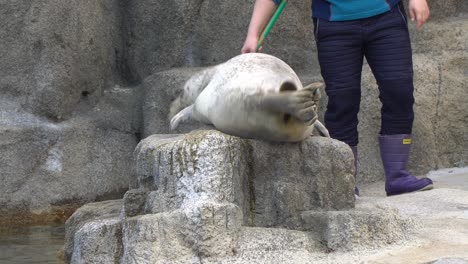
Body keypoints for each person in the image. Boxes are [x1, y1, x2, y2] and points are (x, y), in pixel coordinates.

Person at [241, 0, 434, 196]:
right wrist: (253, 34)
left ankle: (398, 176)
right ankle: (345, 183)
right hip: (334, 24)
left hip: (387, 17)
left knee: (399, 90)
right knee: (343, 100)